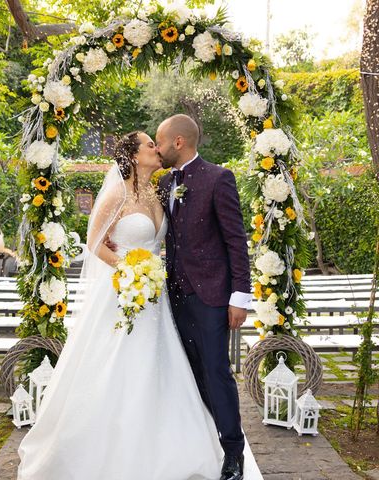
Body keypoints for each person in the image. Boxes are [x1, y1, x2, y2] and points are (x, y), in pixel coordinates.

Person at [17, 131, 262, 479]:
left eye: (157, 142)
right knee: (121, 366)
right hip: (126, 293)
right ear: (133, 155)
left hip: (161, 298)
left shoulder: (159, 190)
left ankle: (204, 446)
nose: (156, 148)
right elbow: (95, 242)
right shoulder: (118, 192)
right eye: (149, 144)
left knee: (171, 367)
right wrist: (130, 270)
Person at [156, 115, 252, 480]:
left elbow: (235, 241)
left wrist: (239, 296)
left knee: (216, 372)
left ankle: (233, 454)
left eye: (161, 142)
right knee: (190, 373)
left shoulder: (218, 178)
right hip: (175, 296)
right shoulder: (164, 182)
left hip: (212, 295)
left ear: (178, 142)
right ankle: (202, 443)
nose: (158, 148)